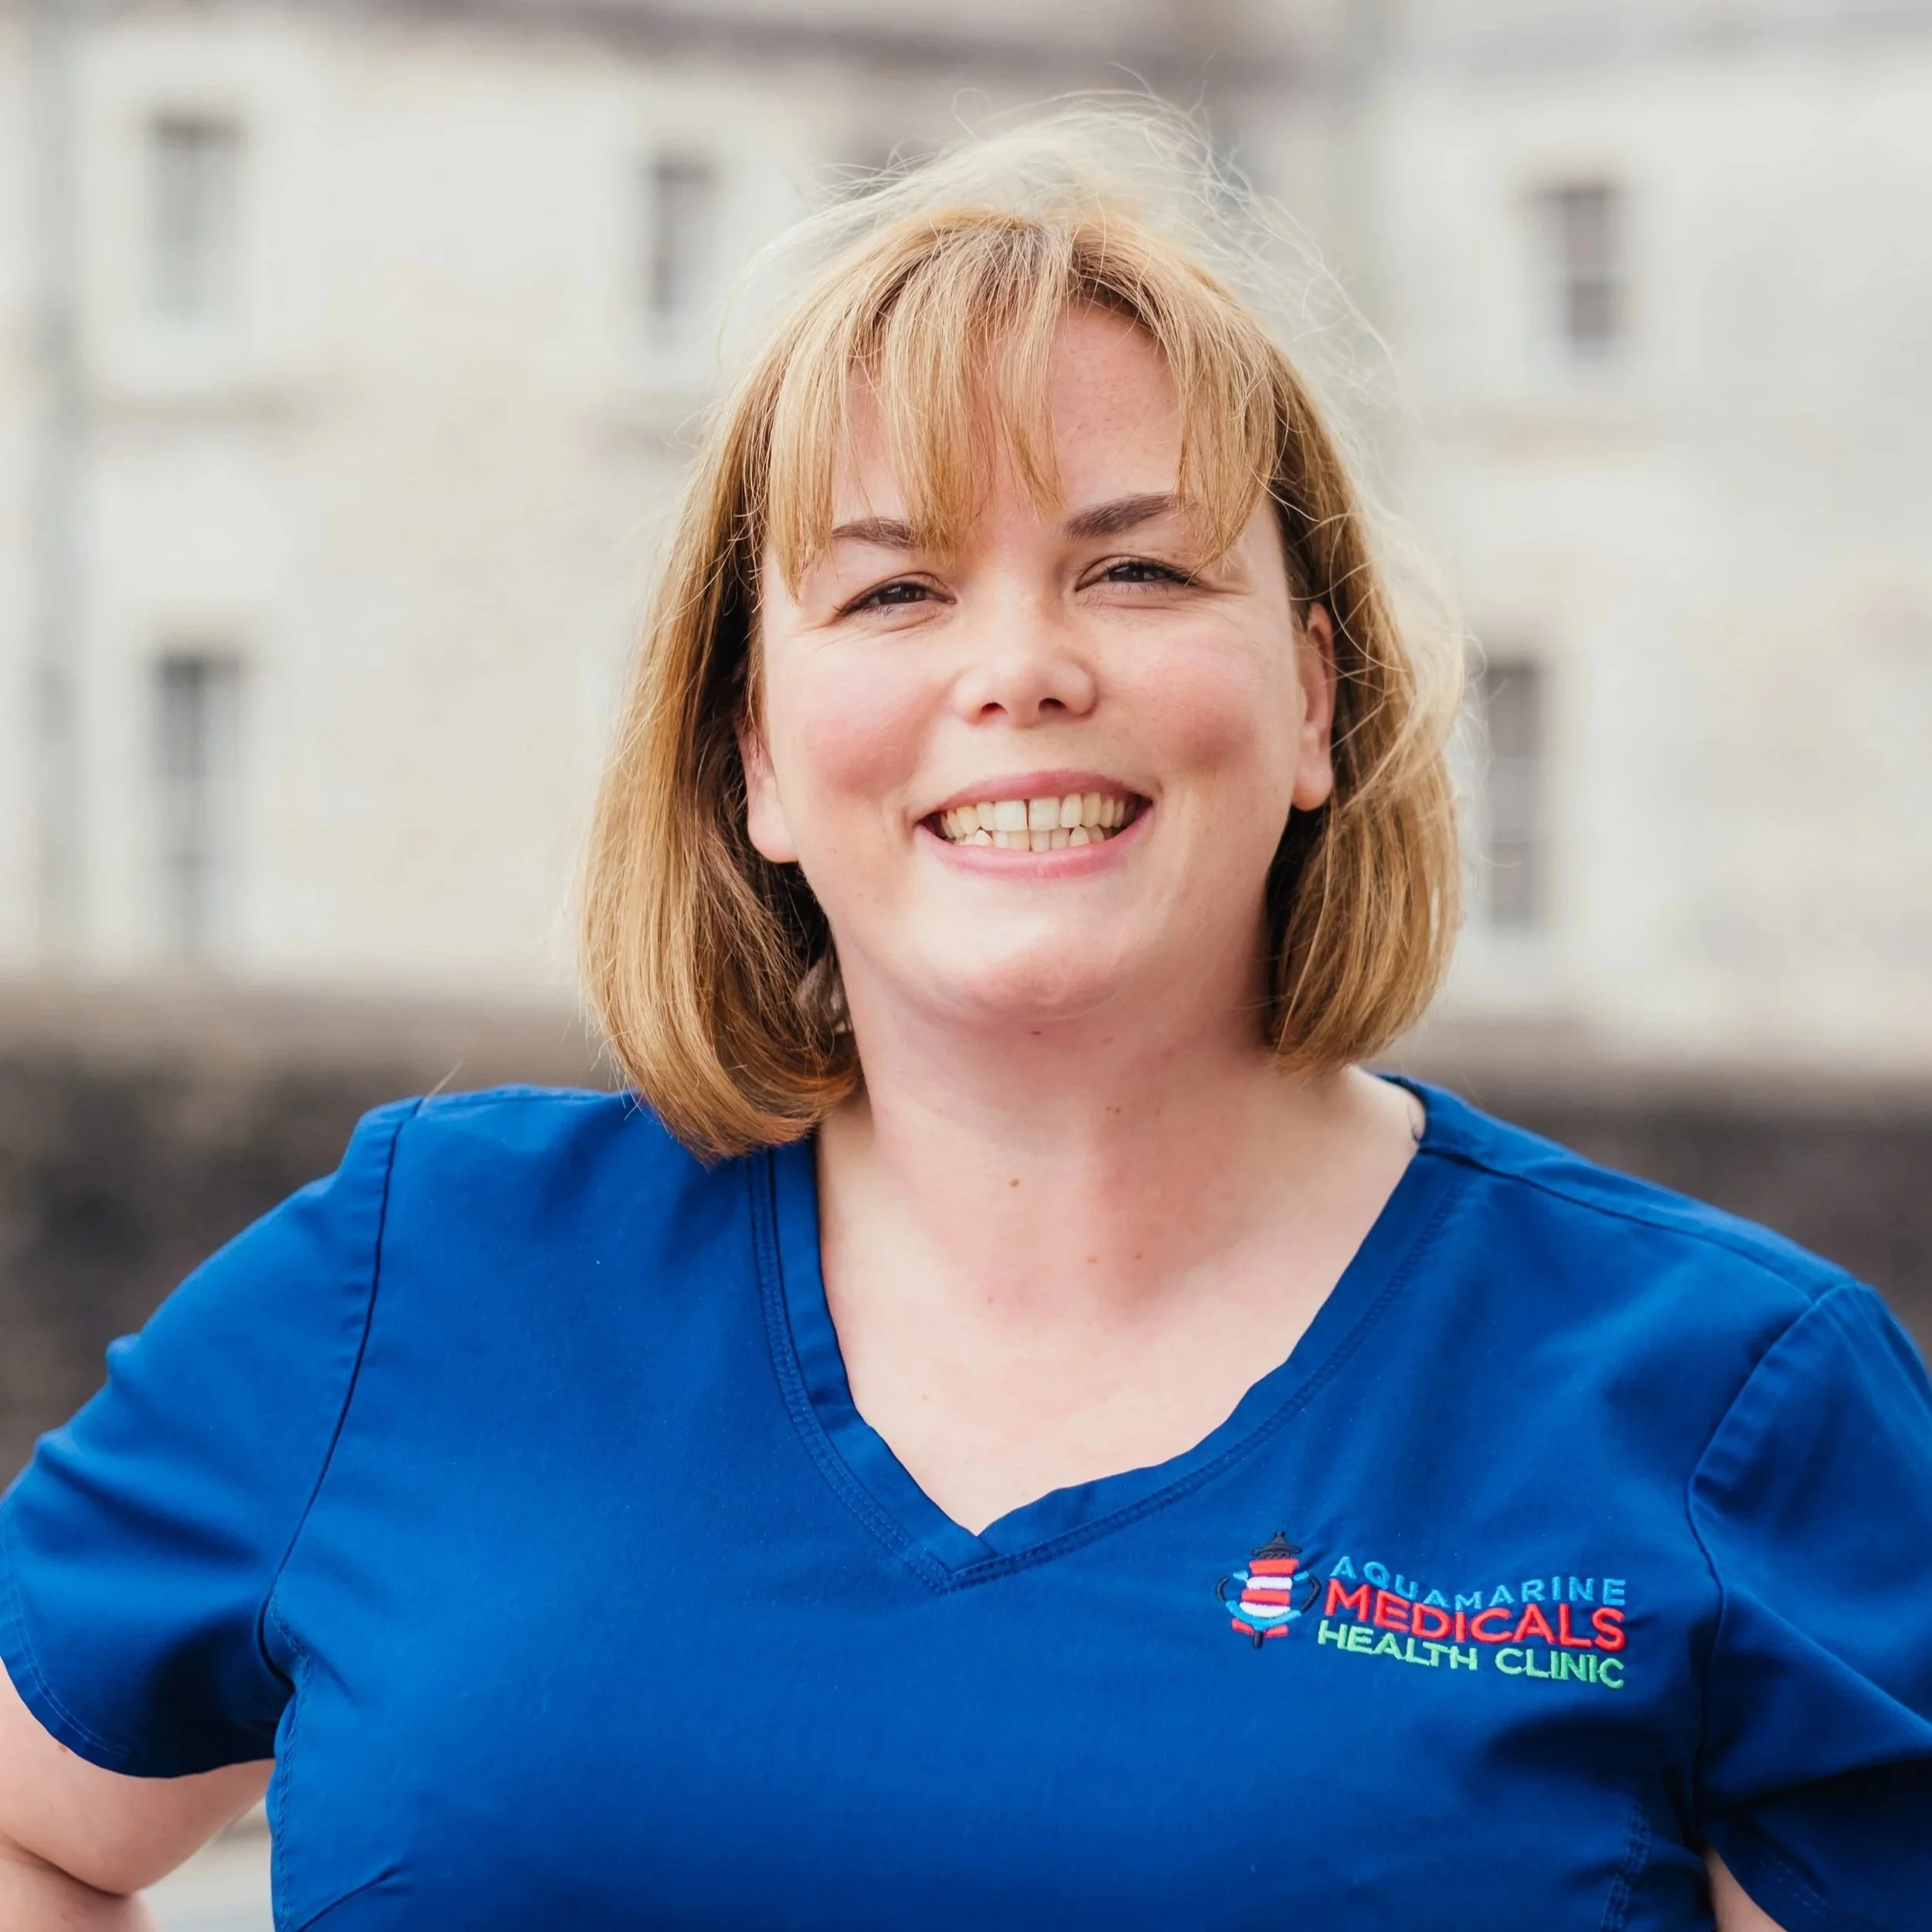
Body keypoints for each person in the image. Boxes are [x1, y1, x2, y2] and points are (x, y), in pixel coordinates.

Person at [2, 107, 1928, 1932]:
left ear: (1317, 701)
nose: (1018, 667)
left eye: (1134, 566)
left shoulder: (1728, 1407)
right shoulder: (419, 1276)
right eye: (896, 586)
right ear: (753, 748)